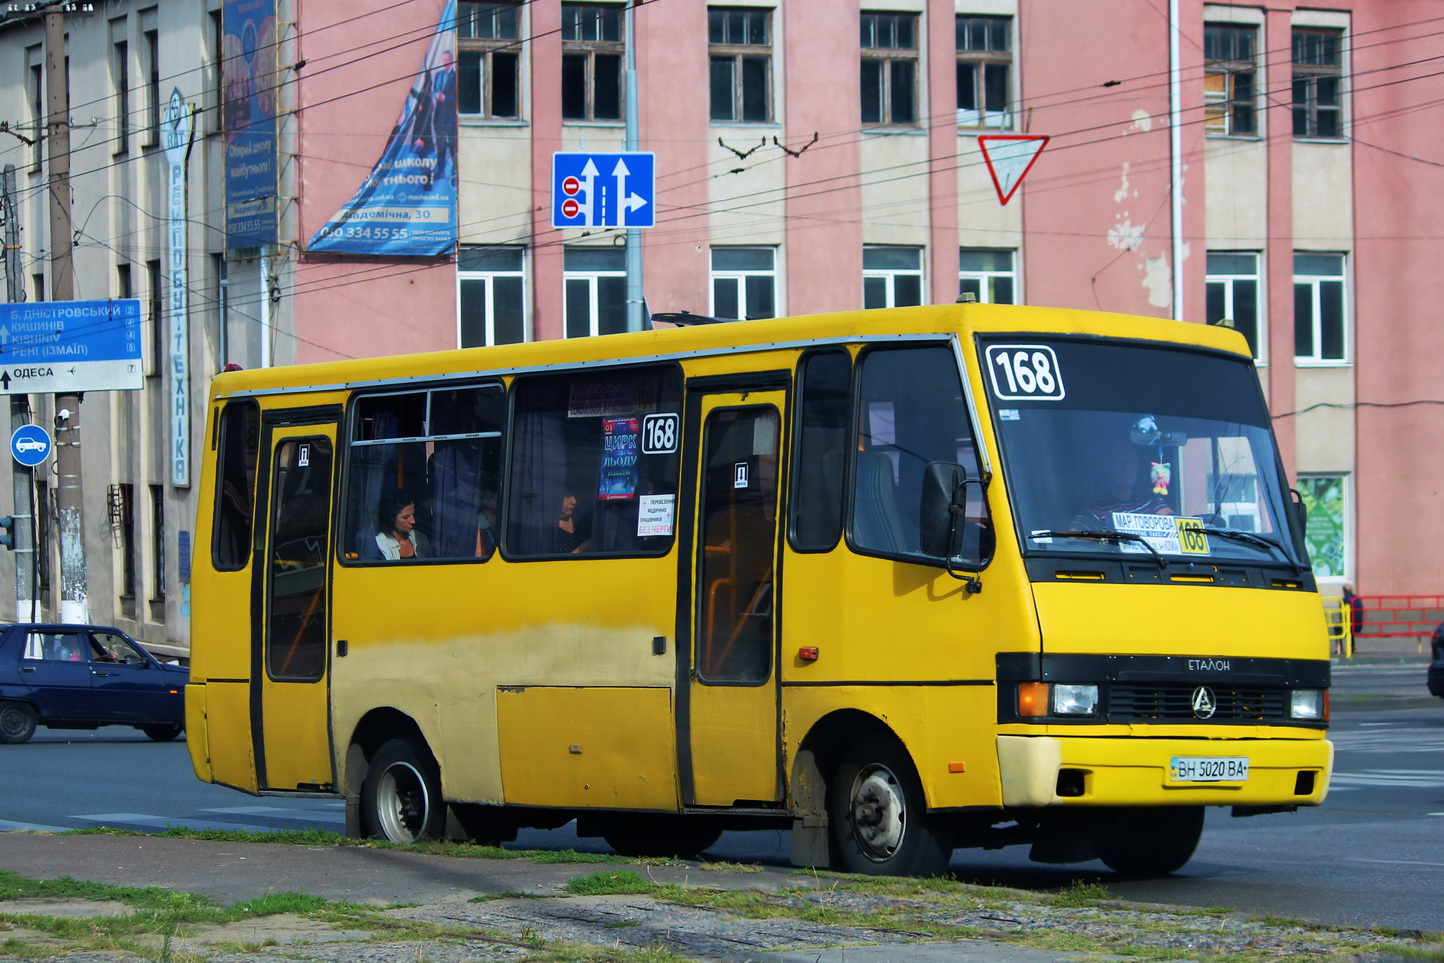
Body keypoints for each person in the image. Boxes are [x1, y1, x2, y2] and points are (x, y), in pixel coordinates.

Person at [1072, 438, 1173, 531]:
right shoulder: (1096, 508)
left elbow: (1171, 521)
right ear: (1108, 467)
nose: (1127, 468)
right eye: (1119, 463)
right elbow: (1074, 538)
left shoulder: (1149, 500)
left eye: (1132, 462)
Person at [374, 488, 427, 560]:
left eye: (413, 515)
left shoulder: (420, 538)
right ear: (391, 517)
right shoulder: (380, 543)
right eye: (406, 517)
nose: (413, 521)